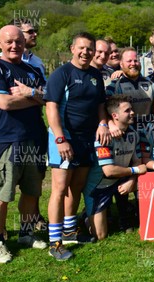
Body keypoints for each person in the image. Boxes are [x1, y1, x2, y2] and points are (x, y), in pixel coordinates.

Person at [0, 25, 48, 264]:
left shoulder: (32, 69)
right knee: (3, 193)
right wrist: (34, 97)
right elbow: (5, 103)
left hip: (35, 137)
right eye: (9, 42)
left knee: (32, 190)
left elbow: (49, 97)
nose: (14, 46)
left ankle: (26, 233)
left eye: (19, 42)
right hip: (7, 138)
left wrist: (31, 93)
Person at [45, 32, 110, 260]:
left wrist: (103, 123)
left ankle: (71, 231)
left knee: (77, 186)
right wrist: (60, 139)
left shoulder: (95, 75)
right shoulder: (61, 73)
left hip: (87, 140)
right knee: (60, 188)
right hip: (65, 139)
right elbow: (51, 108)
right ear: (72, 48)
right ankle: (54, 242)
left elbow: (101, 105)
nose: (86, 52)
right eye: (81, 48)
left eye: (90, 48)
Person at [83, 95, 146, 240]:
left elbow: (137, 161)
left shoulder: (133, 133)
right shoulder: (104, 136)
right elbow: (109, 170)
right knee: (100, 235)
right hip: (98, 186)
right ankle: (85, 216)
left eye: (131, 109)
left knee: (144, 183)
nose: (132, 113)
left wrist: (132, 180)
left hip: (119, 181)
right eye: (127, 110)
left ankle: (131, 217)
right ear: (114, 116)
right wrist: (134, 171)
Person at [106, 47, 154, 132]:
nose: (133, 63)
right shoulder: (114, 86)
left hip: (150, 133)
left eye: (136, 60)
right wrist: (110, 124)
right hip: (126, 134)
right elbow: (105, 110)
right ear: (121, 64)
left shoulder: (152, 84)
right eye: (129, 61)